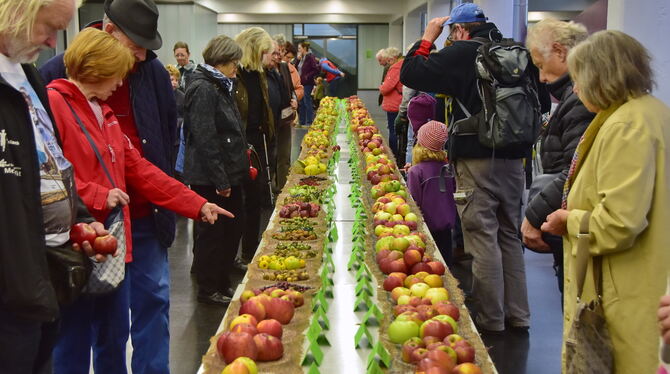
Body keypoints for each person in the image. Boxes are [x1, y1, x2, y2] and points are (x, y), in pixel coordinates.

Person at [46, 28, 231, 373]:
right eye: (116, 73)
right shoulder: (53, 105)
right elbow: (47, 180)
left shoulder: (104, 115)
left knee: (113, 331)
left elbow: (142, 171)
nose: (120, 84)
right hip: (73, 247)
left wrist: (195, 204)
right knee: (72, 339)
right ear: (96, 68)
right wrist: (100, 194)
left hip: (111, 245)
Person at [40, 0, 183, 372]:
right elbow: (51, 172)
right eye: (134, 46)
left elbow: (167, 133)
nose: (140, 56)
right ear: (108, 32)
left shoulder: (149, 72)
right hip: (88, 230)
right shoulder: (56, 81)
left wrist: (180, 197)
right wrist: (95, 198)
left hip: (145, 217)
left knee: (152, 304)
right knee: (85, 324)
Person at [541, 30, 670, 374]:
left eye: (580, 78)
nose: (576, 88)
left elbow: (619, 222)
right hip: (641, 281)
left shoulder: (627, 125)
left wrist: (566, 221)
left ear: (601, 76)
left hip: (627, 290)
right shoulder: (647, 112)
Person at [400, 3, 531, 333]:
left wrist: (429, 35)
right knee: (509, 236)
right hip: (515, 158)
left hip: (476, 157)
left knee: (482, 236)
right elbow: (538, 102)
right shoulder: (513, 51)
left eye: (451, 34)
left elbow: (411, 72)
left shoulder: (463, 52)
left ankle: (491, 318)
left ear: (459, 31)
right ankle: (519, 315)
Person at [0, 0, 109, 372]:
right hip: (12, 290)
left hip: (42, 279)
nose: (52, 43)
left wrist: (78, 213)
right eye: (48, 28)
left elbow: (50, 162)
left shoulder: (28, 77)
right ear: (15, 11)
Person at [521, 19, 592, 300]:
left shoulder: (580, 100)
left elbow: (574, 169)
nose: (540, 78)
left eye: (540, 65)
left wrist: (534, 216)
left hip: (570, 219)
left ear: (561, 52)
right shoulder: (573, 98)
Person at [183, 35, 248, 305]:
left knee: (230, 231)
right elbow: (205, 137)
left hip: (227, 172)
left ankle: (221, 282)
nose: (236, 68)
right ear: (220, 61)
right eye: (233, 62)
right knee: (213, 235)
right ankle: (208, 288)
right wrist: (221, 179)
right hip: (211, 177)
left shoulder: (220, 84)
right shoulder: (204, 88)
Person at [234, 27, 275, 268]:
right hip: (242, 144)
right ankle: (237, 254)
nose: (267, 56)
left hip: (258, 142)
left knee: (255, 200)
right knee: (243, 201)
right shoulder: (236, 76)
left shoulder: (258, 74)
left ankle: (249, 252)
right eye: (264, 51)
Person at [406, 121, 457, 264]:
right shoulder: (448, 168)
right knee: (445, 262)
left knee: (428, 262)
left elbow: (413, 202)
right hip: (446, 224)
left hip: (426, 228)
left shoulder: (416, 172)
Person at [270, 38, 301, 190]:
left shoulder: (284, 68)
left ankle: (283, 188)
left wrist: (294, 100)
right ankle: (271, 186)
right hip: (270, 121)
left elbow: (292, 90)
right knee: (272, 156)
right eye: (274, 52)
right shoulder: (263, 70)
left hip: (285, 118)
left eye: (279, 52)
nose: (278, 56)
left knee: (284, 154)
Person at [379, 49, 404, 159]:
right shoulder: (403, 65)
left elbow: (386, 88)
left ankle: (394, 156)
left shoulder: (395, 67)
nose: (388, 63)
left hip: (394, 104)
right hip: (400, 102)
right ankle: (399, 155)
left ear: (393, 58)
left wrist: (381, 86)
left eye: (388, 60)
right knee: (400, 132)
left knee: (393, 131)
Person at [165, 64, 186, 177]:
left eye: (176, 80)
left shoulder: (182, 96)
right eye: (172, 79)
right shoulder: (161, 95)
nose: (174, 82)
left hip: (177, 140)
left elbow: (186, 116)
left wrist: (178, 121)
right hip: (165, 138)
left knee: (177, 172)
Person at [405, 93, 436, 168]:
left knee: (411, 142)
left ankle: (410, 168)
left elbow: (407, 93)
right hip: (429, 113)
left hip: (414, 108)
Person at [296, 41, 319, 127]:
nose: (298, 50)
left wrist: (307, 76)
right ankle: (302, 122)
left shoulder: (310, 57)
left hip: (307, 83)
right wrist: (298, 60)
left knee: (307, 101)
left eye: (299, 48)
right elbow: (296, 68)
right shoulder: (302, 57)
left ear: (304, 48)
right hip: (301, 83)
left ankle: (309, 121)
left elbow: (316, 69)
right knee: (301, 102)